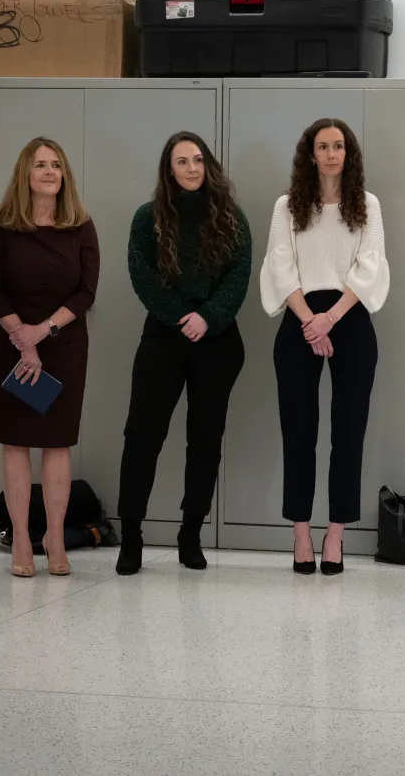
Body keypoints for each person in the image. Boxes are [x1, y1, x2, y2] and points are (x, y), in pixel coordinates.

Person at [116, 132, 251, 575]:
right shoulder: (147, 218)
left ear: (208, 165)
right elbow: (142, 276)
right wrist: (181, 317)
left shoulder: (232, 218)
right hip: (163, 340)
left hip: (217, 342)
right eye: (181, 161)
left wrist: (207, 318)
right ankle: (130, 536)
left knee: (205, 442)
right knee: (142, 438)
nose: (192, 168)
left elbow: (238, 276)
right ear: (168, 170)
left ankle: (190, 534)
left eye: (197, 160)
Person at [260, 118, 390, 575]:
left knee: (347, 434)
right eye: (323, 146)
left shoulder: (366, 204)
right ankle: (300, 534)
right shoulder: (287, 206)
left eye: (339, 146)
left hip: (349, 321)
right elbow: (280, 265)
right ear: (309, 154)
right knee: (298, 432)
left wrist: (330, 320)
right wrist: (309, 322)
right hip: (299, 320)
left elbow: (371, 265)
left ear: (348, 154)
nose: (332, 153)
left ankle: (335, 534)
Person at [0, 137, 100, 577]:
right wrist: (23, 337)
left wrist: (44, 330)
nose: (49, 172)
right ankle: (20, 540)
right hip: (12, 346)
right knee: (15, 442)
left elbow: (87, 290)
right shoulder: (2, 225)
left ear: (64, 174)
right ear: (25, 174)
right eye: (39, 165)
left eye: (55, 165)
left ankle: (53, 536)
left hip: (63, 344)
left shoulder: (81, 225)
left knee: (56, 442)